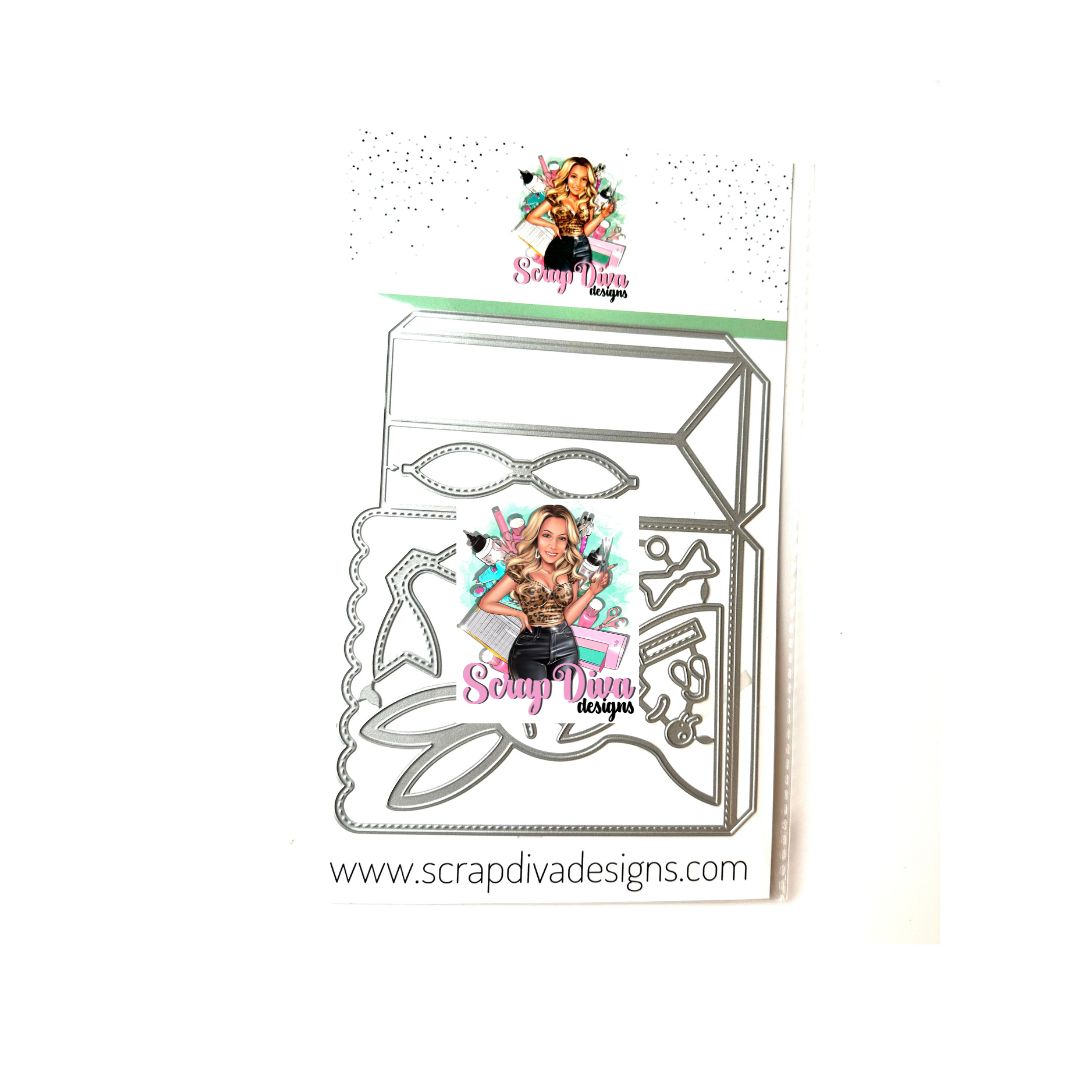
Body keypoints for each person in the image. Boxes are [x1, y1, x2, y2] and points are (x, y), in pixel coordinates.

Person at [478, 504, 610, 680]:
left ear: (568, 542)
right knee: (533, 693)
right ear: (535, 536)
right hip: (529, 648)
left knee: (564, 693)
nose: (553, 545)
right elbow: (486, 603)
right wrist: (519, 614)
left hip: (565, 646)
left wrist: (592, 592)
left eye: (561, 538)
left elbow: (567, 618)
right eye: (547, 535)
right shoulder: (521, 570)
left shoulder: (571, 573)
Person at [525, 158, 615, 272]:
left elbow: (585, 232)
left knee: (580, 278)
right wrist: (553, 226)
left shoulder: (589, 201)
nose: (578, 183)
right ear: (566, 176)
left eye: (583, 179)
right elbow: (531, 217)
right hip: (559, 249)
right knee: (557, 276)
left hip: (582, 250)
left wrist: (602, 216)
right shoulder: (556, 197)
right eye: (574, 176)